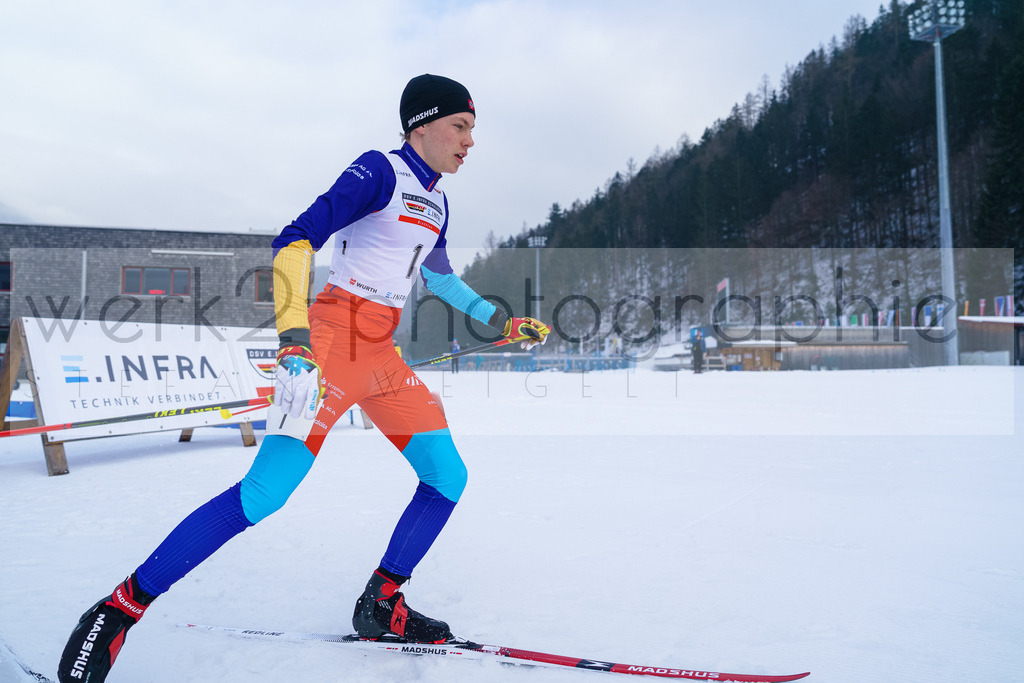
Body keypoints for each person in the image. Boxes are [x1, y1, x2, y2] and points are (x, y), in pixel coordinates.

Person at [57, 74, 550, 683]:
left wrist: (501, 318)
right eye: (462, 126)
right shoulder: (378, 171)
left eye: (473, 128)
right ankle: (118, 610)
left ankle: (382, 603)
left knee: (447, 476)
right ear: (423, 125)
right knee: (265, 495)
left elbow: (442, 278)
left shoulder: (440, 201)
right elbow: (294, 242)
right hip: (329, 343)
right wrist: (294, 337)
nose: (471, 140)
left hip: (381, 355)